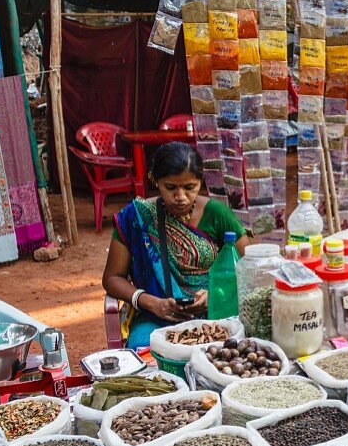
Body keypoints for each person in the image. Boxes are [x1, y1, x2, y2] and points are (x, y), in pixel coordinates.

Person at [102, 142, 249, 349]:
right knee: (145, 354)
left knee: (233, 352)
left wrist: (215, 295)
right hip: (155, 317)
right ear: (155, 180)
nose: (180, 197)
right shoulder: (136, 218)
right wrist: (152, 303)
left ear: (200, 181)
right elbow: (112, 278)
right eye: (170, 187)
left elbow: (250, 269)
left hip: (216, 315)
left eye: (190, 187)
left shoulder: (218, 215)